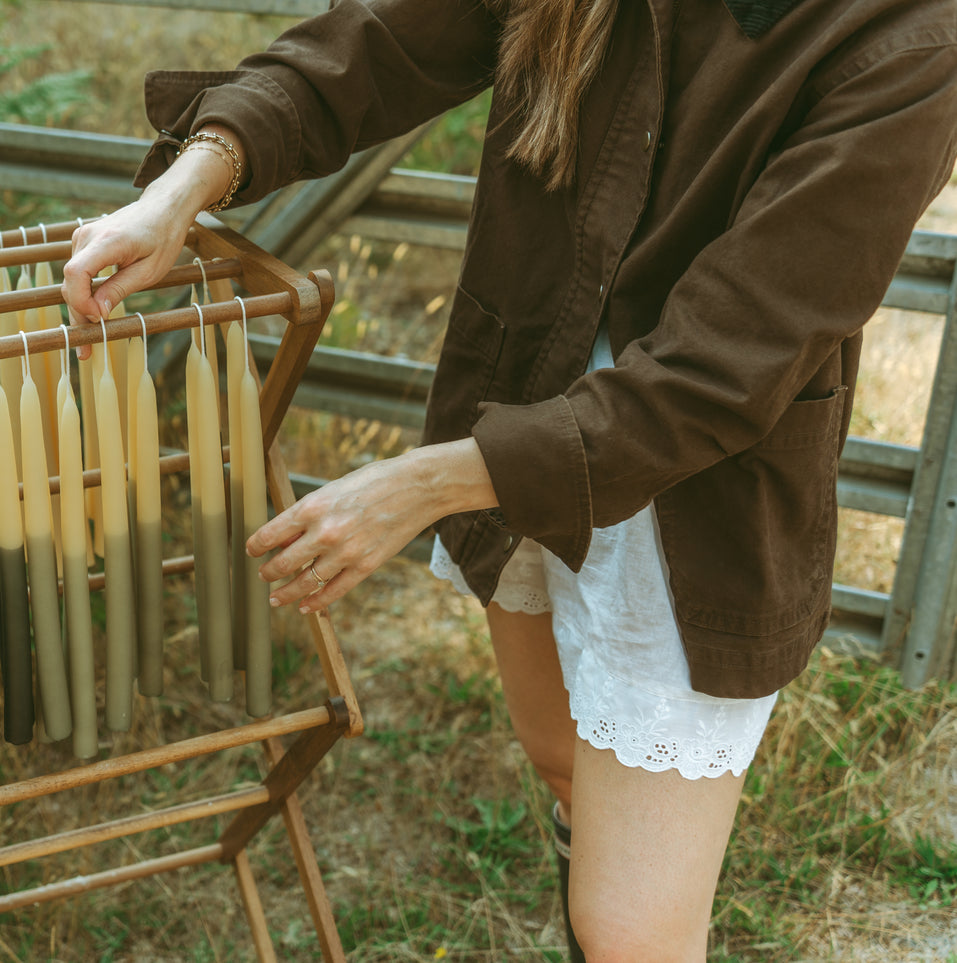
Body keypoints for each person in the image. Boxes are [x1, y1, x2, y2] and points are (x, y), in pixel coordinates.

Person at [61, 0, 957, 958]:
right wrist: (187, 184)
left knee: (629, 929)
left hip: (694, 500)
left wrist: (421, 485)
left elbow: (727, 362)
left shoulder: (913, 38)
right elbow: (374, 45)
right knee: (560, 762)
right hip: (522, 399)